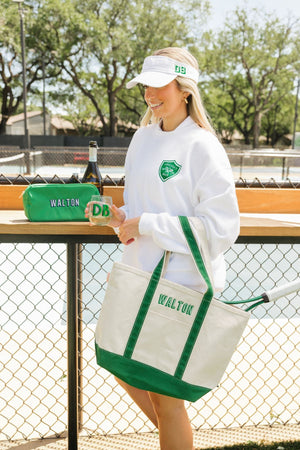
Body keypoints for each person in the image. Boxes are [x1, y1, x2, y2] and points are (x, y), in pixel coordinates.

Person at [91, 47, 240, 450]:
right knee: (118, 362)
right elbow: (143, 209)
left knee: (166, 396)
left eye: (160, 85)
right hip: (139, 274)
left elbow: (223, 229)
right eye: (146, 86)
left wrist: (150, 225)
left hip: (180, 283)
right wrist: (117, 217)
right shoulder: (142, 137)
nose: (150, 95)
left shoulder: (203, 147)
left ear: (184, 89)